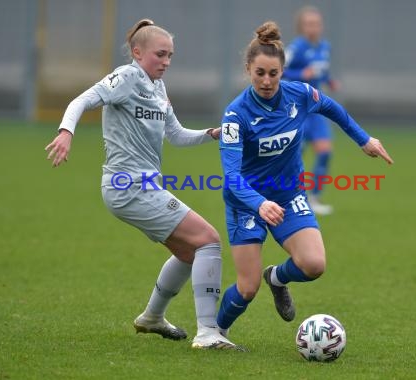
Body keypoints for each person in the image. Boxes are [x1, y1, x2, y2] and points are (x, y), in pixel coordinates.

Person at [44, 18, 239, 350]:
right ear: (137, 52)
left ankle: (152, 318)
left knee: (191, 251)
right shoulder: (126, 77)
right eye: (160, 55)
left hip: (142, 187)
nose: (166, 62)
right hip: (127, 186)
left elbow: (175, 135)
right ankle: (208, 334)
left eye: (170, 56)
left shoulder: (158, 87)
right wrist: (66, 131)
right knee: (208, 240)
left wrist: (211, 134)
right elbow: (81, 101)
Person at [215, 21, 393, 341]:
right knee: (247, 288)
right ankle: (216, 332)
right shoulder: (235, 114)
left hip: (287, 195)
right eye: (260, 73)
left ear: (283, 71)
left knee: (313, 264)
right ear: (248, 70)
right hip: (247, 200)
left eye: (273, 73)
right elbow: (231, 176)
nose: (267, 81)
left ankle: (278, 279)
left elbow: (331, 107)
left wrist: (363, 139)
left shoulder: (299, 94)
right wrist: (259, 203)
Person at [282, 6, 339, 215]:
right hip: (297, 109)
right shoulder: (296, 47)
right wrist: (300, 73)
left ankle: (314, 198)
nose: (313, 28)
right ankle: (292, 197)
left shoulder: (324, 46)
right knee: (294, 156)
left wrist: (329, 81)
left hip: (316, 109)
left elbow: (321, 71)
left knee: (325, 152)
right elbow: (279, 70)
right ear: (301, 27)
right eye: (309, 24)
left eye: (316, 24)